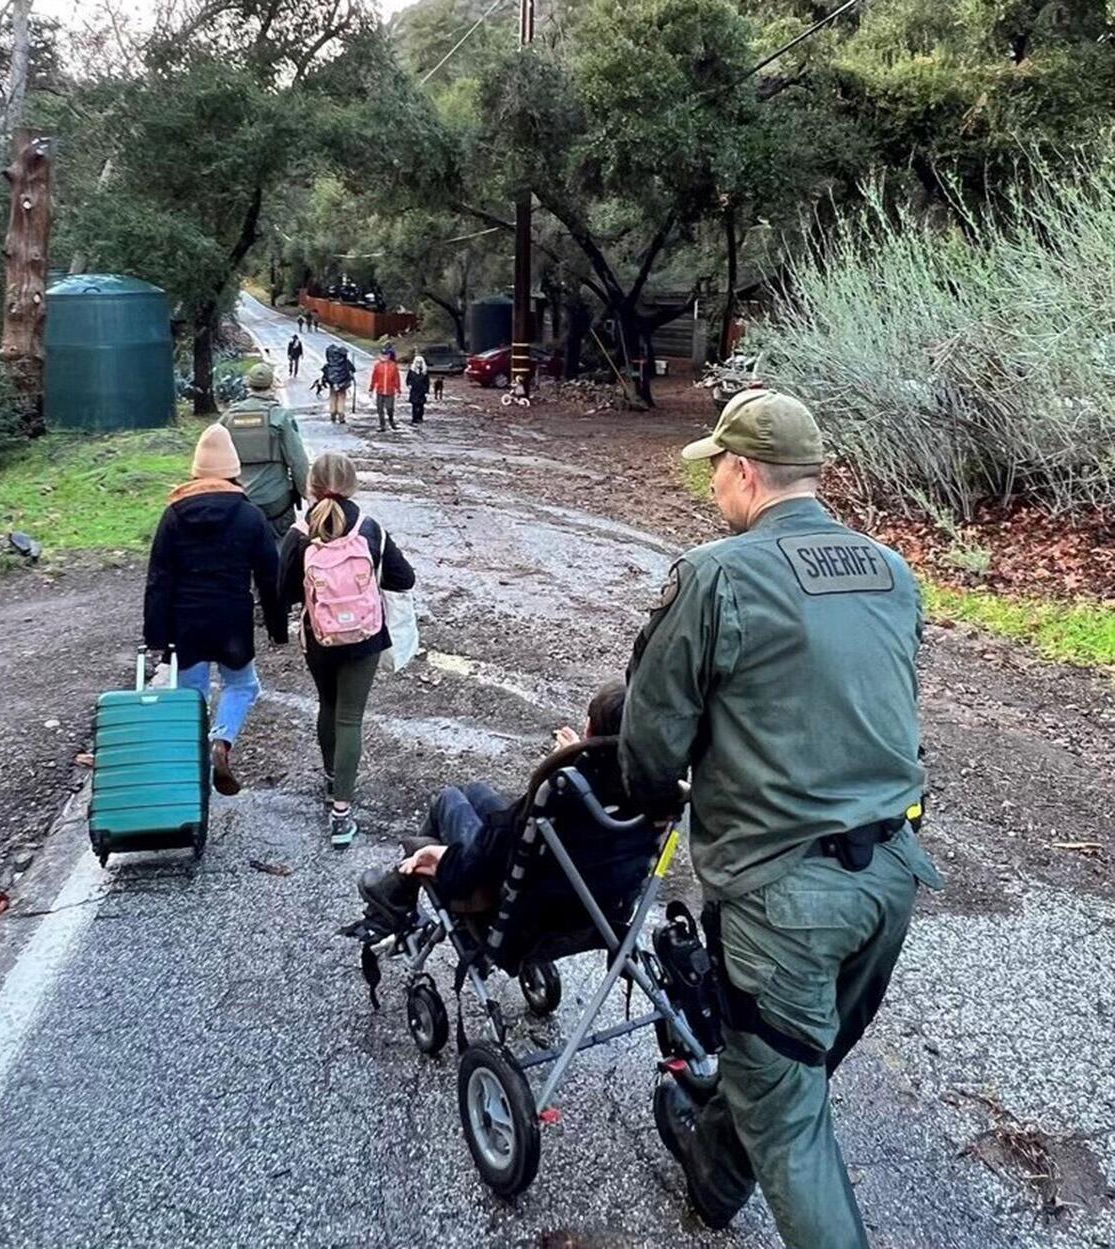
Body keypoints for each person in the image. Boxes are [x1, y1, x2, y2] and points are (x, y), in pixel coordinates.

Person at [619, 389, 943, 1249]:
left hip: (783, 898)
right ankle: (717, 1174)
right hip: (891, 876)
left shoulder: (717, 573)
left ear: (744, 473)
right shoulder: (891, 569)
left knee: (792, 1119)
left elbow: (652, 738)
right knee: (789, 1066)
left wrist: (651, 799)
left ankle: (748, 1167)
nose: (713, 490)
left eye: (716, 471)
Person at [357, 681, 626, 924]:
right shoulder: (636, 796)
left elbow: (505, 839)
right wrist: (579, 759)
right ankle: (401, 887)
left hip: (517, 894)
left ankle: (399, 892)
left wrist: (446, 858)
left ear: (589, 727)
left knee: (449, 799)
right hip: (593, 902)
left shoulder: (563, 790)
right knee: (475, 791)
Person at [278, 452, 415, 848]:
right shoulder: (370, 528)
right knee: (351, 718)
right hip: (365, 638)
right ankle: (342, 814)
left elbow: (284, 591)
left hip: (320, 639)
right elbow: (404, 578)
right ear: (353, 484)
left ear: (312, 486)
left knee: (329, 706)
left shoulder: (298, 532)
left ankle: (330, 780)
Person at [144, 424, 287, 796]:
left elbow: (159, 578)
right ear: (233, 470)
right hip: (232, 622)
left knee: (192, 696)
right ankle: (221, 742)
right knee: (242, 686)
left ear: (196, 471)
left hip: (185, 623)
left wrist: (156, 638)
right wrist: (276, 627)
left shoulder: (173, 516)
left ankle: (190, 772)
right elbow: (269, 578)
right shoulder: (250, 516)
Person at [220, 363, 310, 543]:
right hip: (276, 502)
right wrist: (309, 496)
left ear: (248, 385)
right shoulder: (280, 417)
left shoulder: (228, 418)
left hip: (240, 501)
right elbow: (298, 461)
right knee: (280, 552)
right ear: (272, 385)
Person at [319, 344, 355, 425]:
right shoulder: (345, 362)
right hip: (342, 385)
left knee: (333, 398)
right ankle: (341, 416)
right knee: (341, 400)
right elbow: (353, 369)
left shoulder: (331, 362)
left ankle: (332, 415)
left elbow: (325, 372)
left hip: (332, 385)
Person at [368, 345, 401, 432]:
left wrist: (398, 389)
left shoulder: (393, 366)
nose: (384, 357)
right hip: (380, 390)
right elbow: (374, 377)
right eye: (383, 355)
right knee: (380, 409)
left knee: (390, 408)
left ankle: (391, 421)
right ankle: (382, 425)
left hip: (390, 391)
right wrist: (371, 389)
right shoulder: (377, 365)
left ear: (389, 355)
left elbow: (396, 378)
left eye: (386, 355)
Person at [406, 355, 430, 425]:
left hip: (422, 390)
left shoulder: (424, 371)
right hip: (414, 390)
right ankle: (414, 419)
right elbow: (408, 379)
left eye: (420, 362)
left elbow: (427, 382)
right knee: (414, 405)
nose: (418, 364)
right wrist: (409, 385)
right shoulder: (411, 370)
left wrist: (426, 391)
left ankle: (420, 417)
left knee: (421, 405)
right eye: (417, 362)